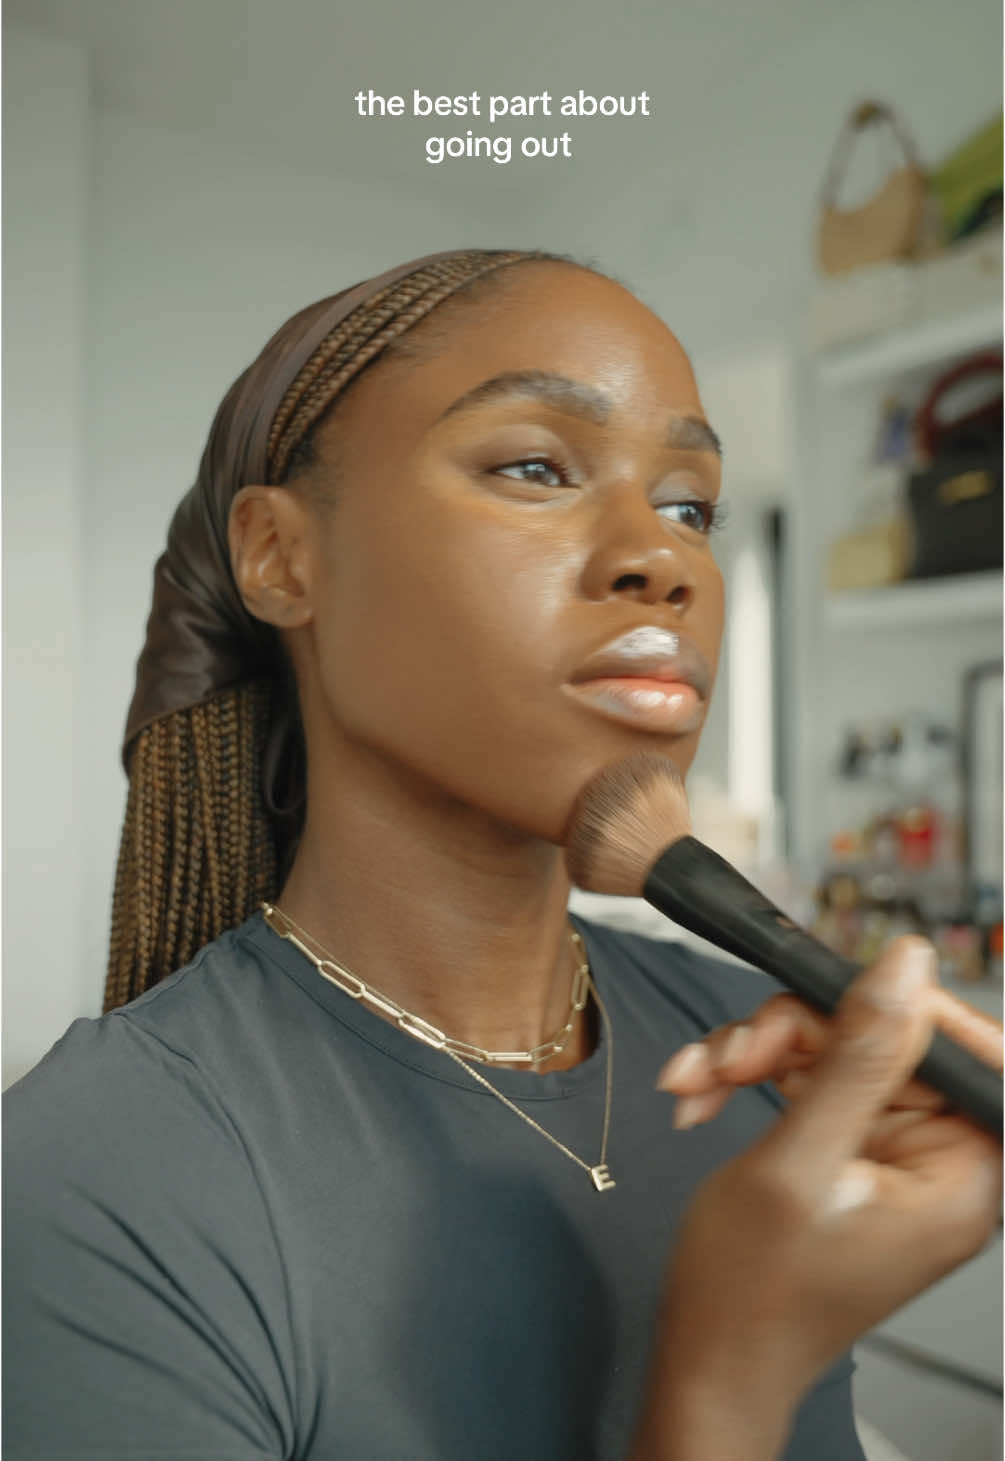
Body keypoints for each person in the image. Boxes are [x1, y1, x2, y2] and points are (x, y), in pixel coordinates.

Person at [4, 247, 1001, 1461]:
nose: (662, 559)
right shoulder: (94, 1176)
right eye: (535, 467)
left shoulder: (758, 1043)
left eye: (690, 506)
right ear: (280, 557)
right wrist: (733, 1372)